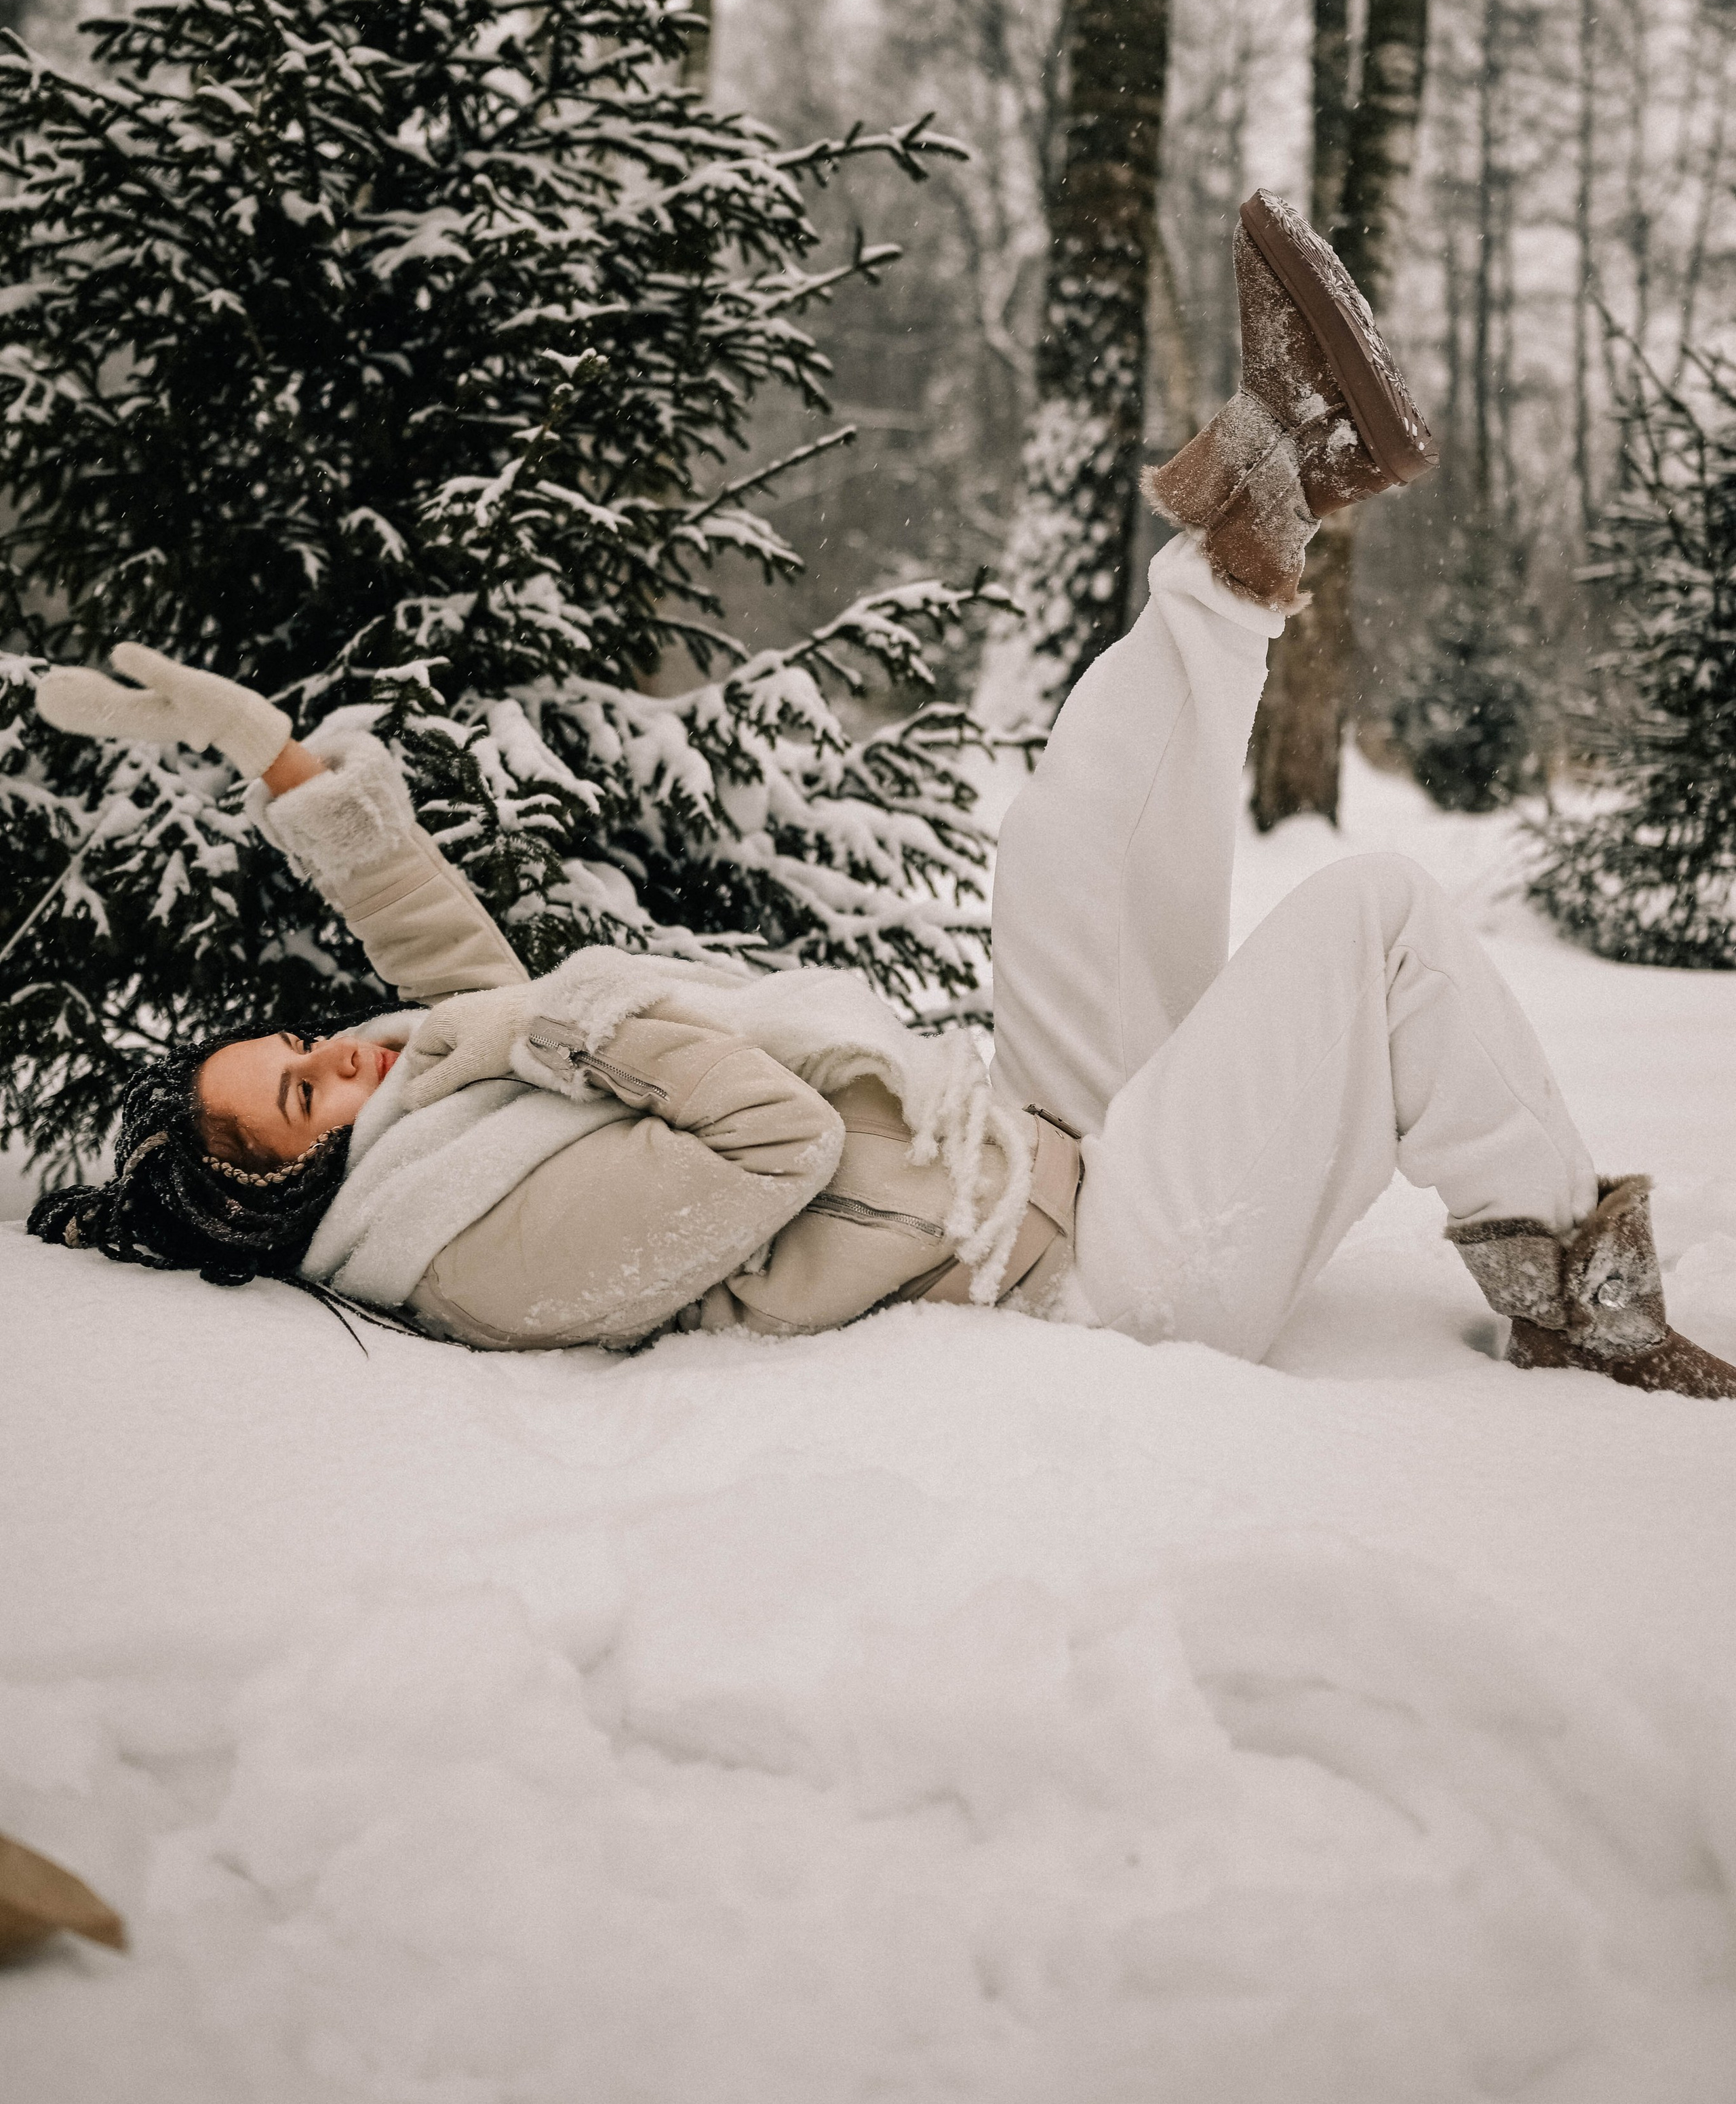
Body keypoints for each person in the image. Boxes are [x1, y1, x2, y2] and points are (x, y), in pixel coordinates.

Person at [28, 194, 1736, 1397]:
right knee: (1376, 923)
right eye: (297, 1102)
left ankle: (1266, 496)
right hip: (1098, 1274)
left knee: (1072, 837)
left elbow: (464, 978)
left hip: (1020, 1144)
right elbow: (758, 1147)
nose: (337, 1057)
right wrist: (593, 1013)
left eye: (298, 1049)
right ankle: (1573, 1297)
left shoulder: (446, 1119)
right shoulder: (477, 1255)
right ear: (294, 1193)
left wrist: (281, 761)